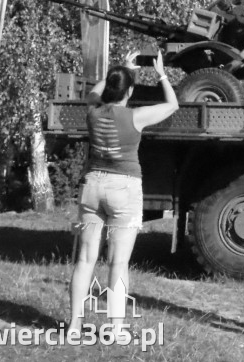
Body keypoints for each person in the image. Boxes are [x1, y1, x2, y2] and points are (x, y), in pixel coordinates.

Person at [68, 50, 178, 335]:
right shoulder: (136, 117)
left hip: (92, 185)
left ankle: (74, 326)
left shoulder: (93, 110)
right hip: (124, 188)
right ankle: (115, 329)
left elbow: (95, 91)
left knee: (84, 260)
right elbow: (172, 104)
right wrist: (161, 73)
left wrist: (120, 71)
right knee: (118, 262)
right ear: (130, 90)